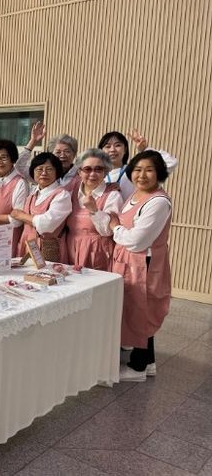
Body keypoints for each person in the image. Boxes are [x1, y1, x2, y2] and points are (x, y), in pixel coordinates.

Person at [109, 150, 173, 382]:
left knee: (142, 311)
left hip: (143, 262)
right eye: (137, 169)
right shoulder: (137, 195)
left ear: (160, 173)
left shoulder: (158, 202)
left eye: (149, 170)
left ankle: (138, 367)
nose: (142, 175)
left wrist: (115, 227)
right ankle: (148, 362)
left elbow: (137, 241)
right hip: (129, 260)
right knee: (135, 309)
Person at [66, 149, 123, 271]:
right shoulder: (71, 192)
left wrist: (94, 210)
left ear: (105, 172)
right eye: (87, 169)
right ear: (79, 172)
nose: (92, 174)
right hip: (71, 248)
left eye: (98, 169)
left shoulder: (112, 195)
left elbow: (108, 231)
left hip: (98, 252)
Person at [11, 152, 72, 263]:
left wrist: (21, 215)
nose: (44, 173)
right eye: (39, 169)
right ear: (33, 172)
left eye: (49, 169)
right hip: (26, 245)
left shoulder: (62, 195)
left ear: (57, 172)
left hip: (48, 249)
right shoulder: (33, 193)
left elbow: (46, 224)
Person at [98, 129, 179, 201]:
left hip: (133, 212)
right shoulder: (96, 175)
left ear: (125, 149)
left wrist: (145, 149)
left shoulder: (134, 171)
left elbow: (170, 162)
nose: (112, 150)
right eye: (108, 146)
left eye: (117, 145)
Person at [18, 122, 81, 194]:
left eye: (67, 151)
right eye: (58, 152)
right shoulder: (43, 174)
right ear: (51, 155)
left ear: (74, 154)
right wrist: (33, 142)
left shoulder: (81, 175)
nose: (62, 155)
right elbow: (19, 165)